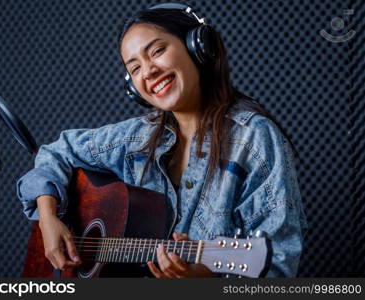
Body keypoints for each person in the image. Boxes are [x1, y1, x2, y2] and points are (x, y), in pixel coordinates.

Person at [17, 3, 308, 278]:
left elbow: (277, 263)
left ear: (198, 47)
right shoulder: (135, 138)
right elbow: (55, 153)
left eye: (157, 51)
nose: (149, 72)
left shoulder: (253, 137)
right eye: (135, 68)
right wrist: (47, 218)